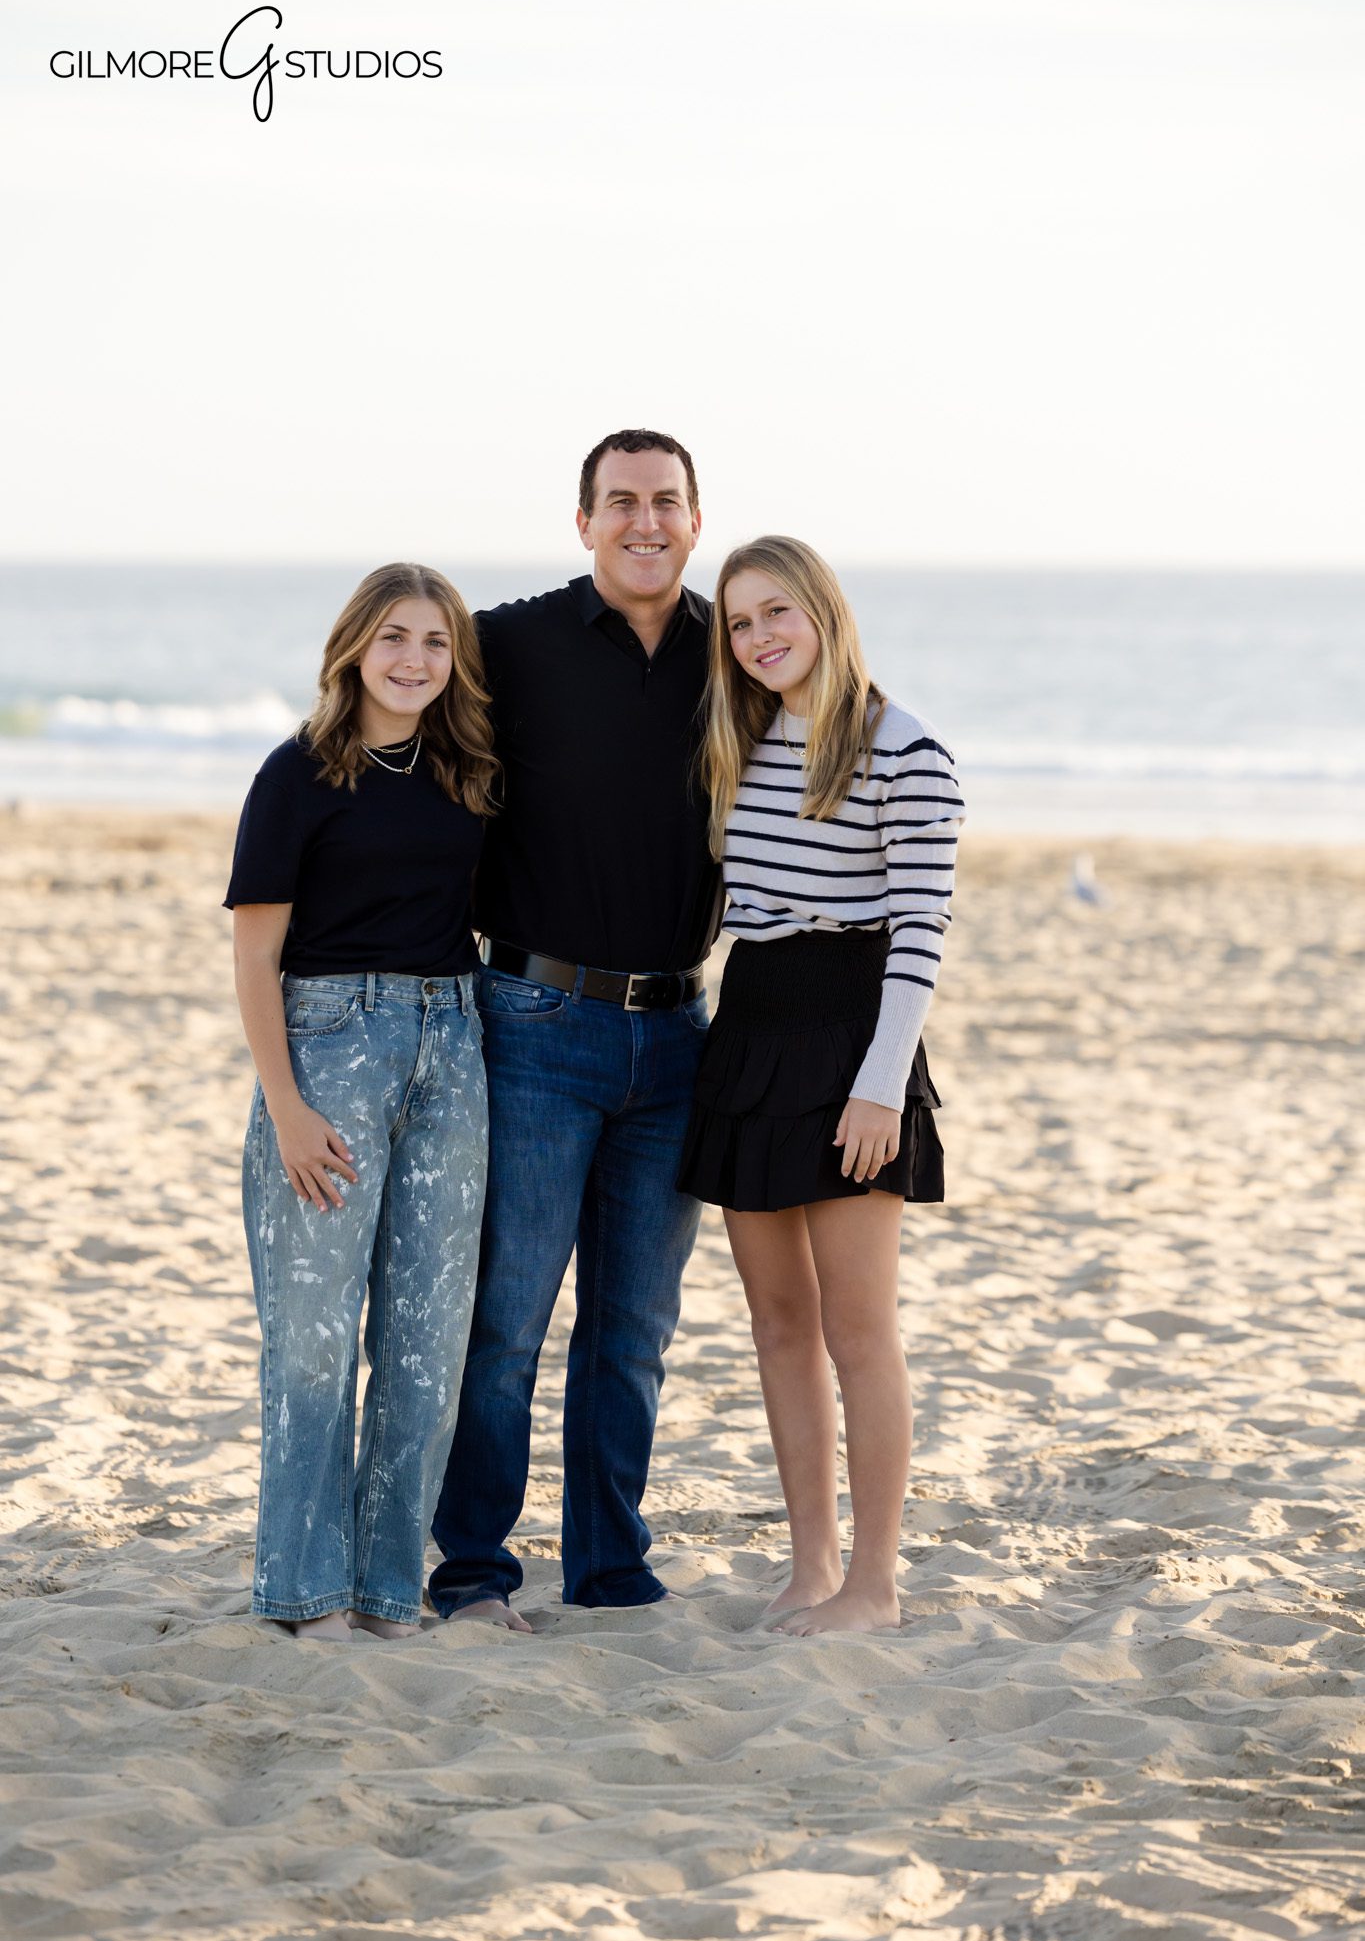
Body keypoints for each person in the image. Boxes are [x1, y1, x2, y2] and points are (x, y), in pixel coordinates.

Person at [428, 429, 719, 1627]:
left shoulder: (735, 652)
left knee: (634, 1329)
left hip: (681, 1032)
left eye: (666, 501)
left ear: (695, 519)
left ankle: (609, 1568)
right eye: (621, 501)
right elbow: (397, 723)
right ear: (585, 520)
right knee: (505, 1320)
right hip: (535, 1022)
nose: (645, 520)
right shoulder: (507, 643)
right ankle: (473, 1568)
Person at [677, 536, 964, 1635]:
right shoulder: (740, 742)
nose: (759, 637)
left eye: (776, 612)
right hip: (751, 1032)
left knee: (859, 1329)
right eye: (739, 622)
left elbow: (920, 933)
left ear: (824, 612)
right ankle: (810, 1569)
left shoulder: (907, 749)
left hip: (853, 1038)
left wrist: (879, 1087)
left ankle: (874, 1585)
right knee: (778, 1325)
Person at [226, 563, 497, 1640]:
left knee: (427, 1343)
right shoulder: (296, 772)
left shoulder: (470, 772)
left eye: (435, 641)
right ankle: (307, 1592)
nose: (413, 660)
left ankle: (387, 1591)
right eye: (393, 636)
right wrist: (286, 1106)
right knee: (314, 1342)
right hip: (329, 1046)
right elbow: (255, 957)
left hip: (453, 1046)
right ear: (352, 647)